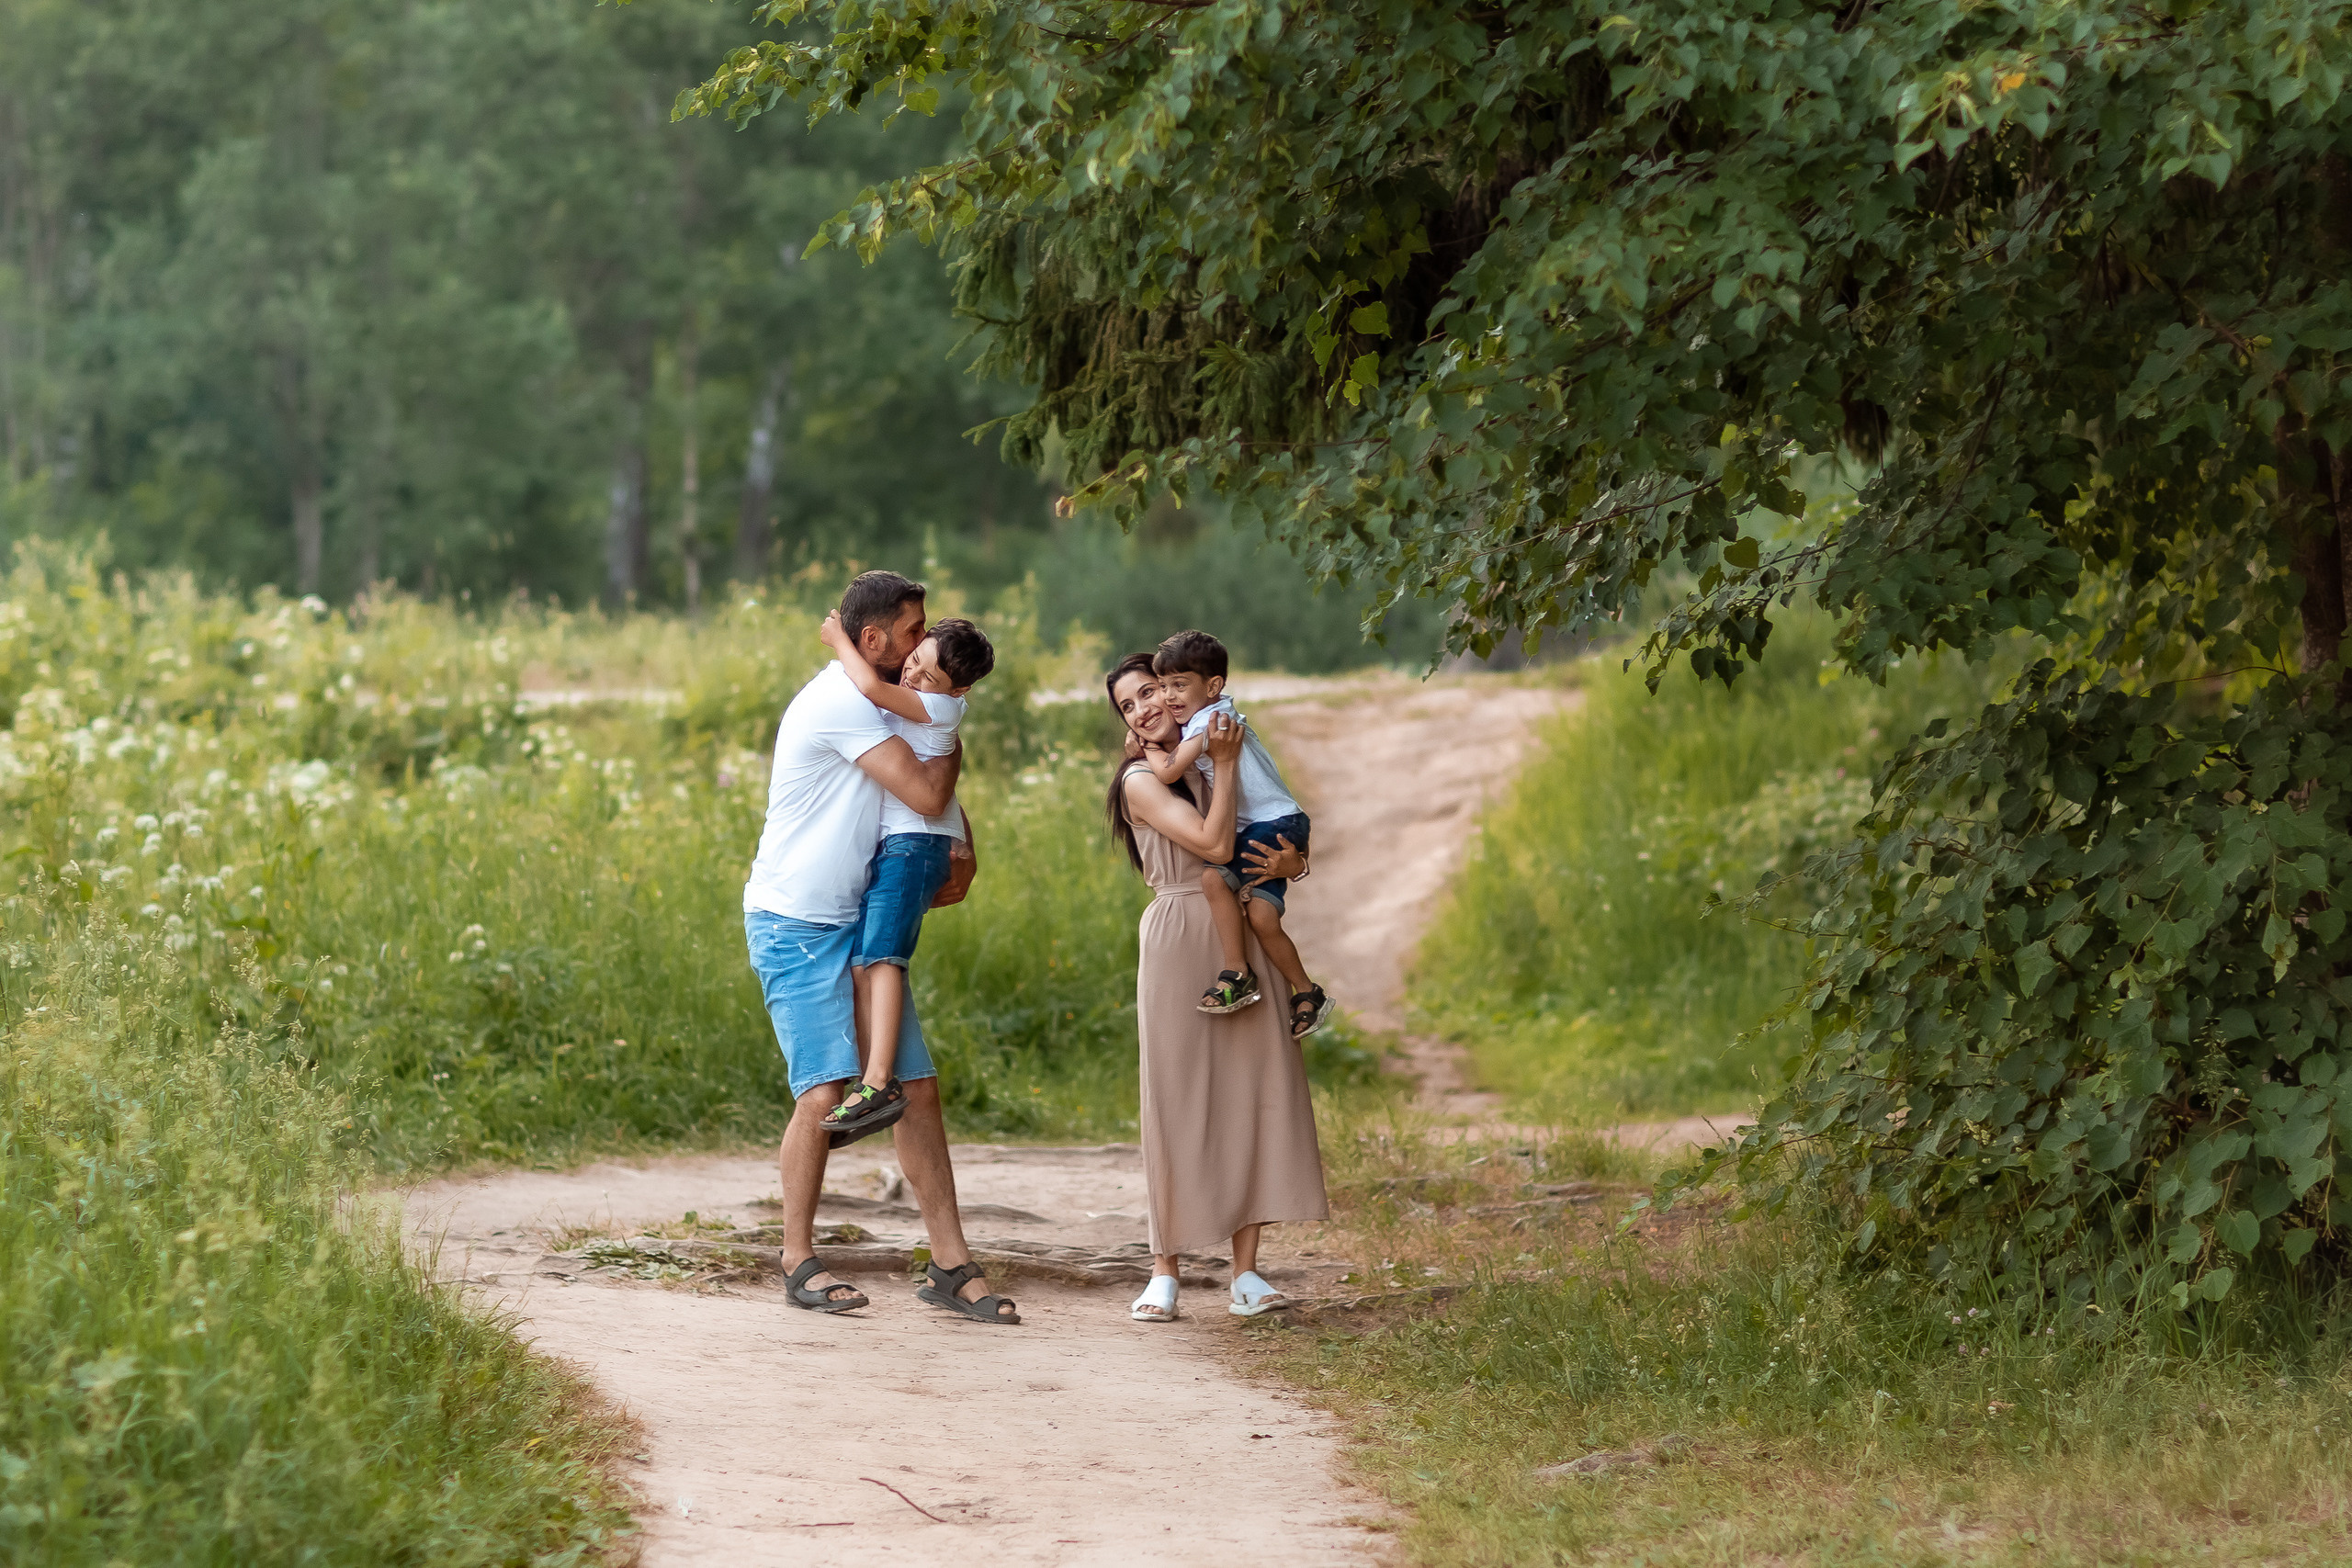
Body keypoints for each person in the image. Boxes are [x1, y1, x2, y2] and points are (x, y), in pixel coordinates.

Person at [741, 570, 1018, 1325]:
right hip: (797, 922)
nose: (922, 641)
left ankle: (950, 1263)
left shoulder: (890, 693)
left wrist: (963, 847)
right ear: (873, 641)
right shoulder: (844, 699)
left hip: (857, 917)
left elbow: (936, 780)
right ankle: (797, 1256)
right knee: (826, 1087)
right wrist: (945, 809)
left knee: (915, 1088)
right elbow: (926, 792)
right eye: (911, 631)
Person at [1106, 652, 1329, 1323]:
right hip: (1180, 932)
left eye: (1152, 691)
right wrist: (1224, 765)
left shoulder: (1211, 748)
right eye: (1130, 705)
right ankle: (1164, 1266)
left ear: (1182, 692)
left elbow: (1267, 828)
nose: (1146, 707)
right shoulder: (1142, 780)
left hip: (1237, 932)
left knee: (1251, 1089)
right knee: (1174, 1098)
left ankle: (1247, 1272)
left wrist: (1297, 861)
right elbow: (1210, 842)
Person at [813, 609, 996, 1144]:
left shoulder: (939, 709)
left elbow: (869, 683)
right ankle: (871, 1083)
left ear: (956, 689)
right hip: (910, 842)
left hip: (914, 844)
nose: (913, 675)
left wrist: (838, 639)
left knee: (883, 958)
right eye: (914, 659)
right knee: (869, 960)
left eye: (929, 675)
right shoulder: (928, 698)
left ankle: (877, 1083)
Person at [1144, 629, 1330, 1038]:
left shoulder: (1209, 721)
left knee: (1236, 895)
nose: (1169, 696)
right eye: (1162, 686)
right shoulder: (1213, 714)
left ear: (1213, 686)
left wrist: (1149, 749)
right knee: (1239, 899)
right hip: (1276, 822)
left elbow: (1170, 771)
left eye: (1179, 685)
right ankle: (1281, 983)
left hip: (1271, 824)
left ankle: (1262, 979)